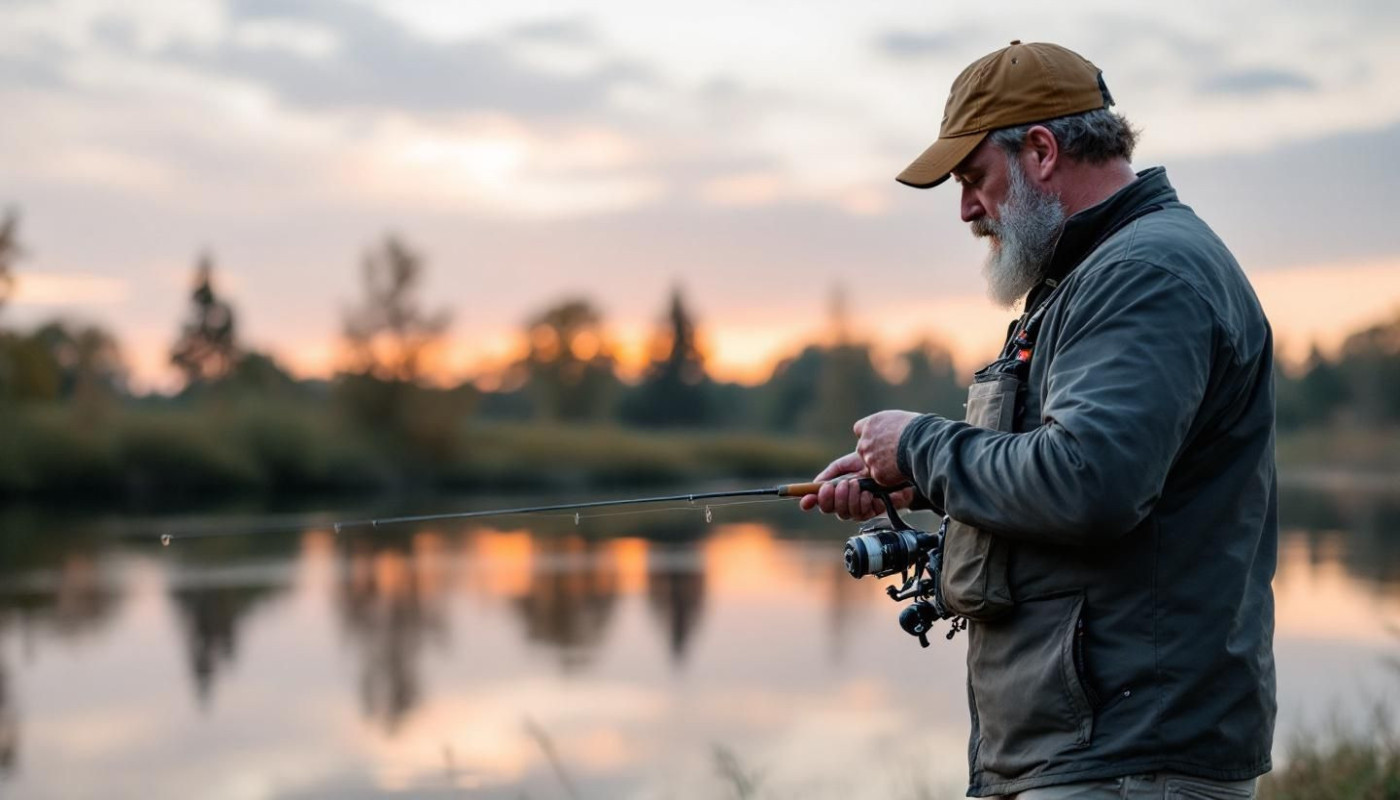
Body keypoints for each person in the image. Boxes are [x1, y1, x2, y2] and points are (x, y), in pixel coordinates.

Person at [800, 41, 1276, 799]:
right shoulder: (1092, 277)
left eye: (973, 178)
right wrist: (913, 481)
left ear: (1043, 151)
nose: (965, 209)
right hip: (1087, 754)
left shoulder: (1142, 275)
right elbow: (1065, 463)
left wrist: (922, 447)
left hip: (1125, 760)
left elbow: (1092, 481)